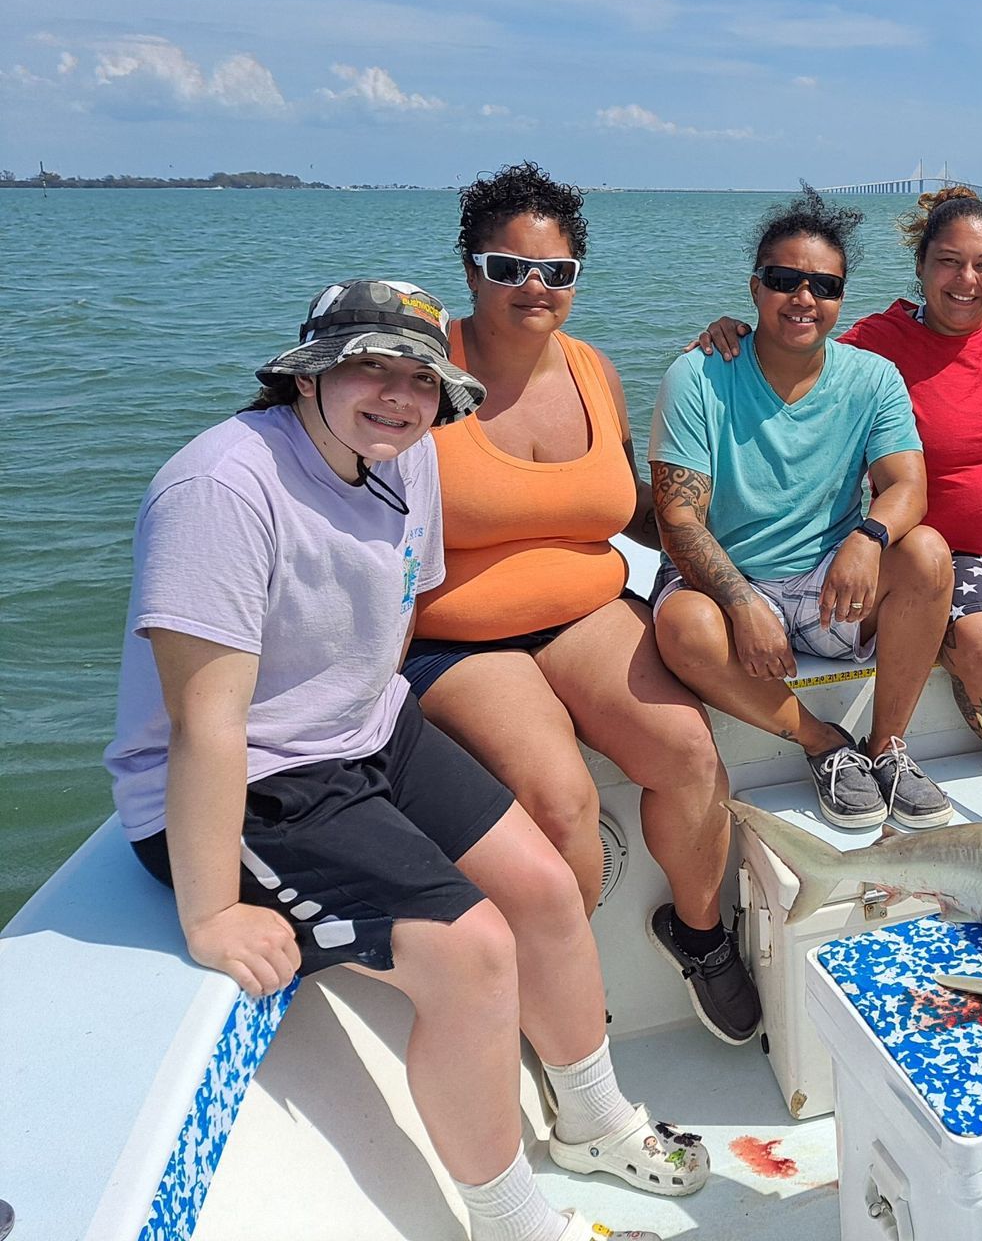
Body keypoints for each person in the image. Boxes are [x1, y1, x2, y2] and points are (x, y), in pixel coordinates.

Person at [101, 280, 701, 1241]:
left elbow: (391, 616)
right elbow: (206, 724)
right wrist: (211, 911)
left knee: (546, 888)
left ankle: (593, 1120)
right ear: (306, 378)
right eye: (366, 368)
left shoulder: (406, 460)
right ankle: (514, 1224)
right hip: (258, 779)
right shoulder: (220, 488)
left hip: (371, 728)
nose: (395, 395)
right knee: (472, 956)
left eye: (418, 377)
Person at [402, 162, 758, 1046]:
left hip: (589, 611)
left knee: (687, 753)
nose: (533, 287)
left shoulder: (594, 368)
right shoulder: (417, 371)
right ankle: (560, 1011)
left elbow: (631, 502)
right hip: (459, 638)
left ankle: (699, 932)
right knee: (559, 801)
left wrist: (738, 529)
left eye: (556, 272)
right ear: (470, 267)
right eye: (508, 267)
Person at [696, 187, 982, 797]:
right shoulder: (878, 344)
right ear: (921, 266)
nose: (967, 279)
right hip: (952, 556)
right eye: (949, 262)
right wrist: (735, 334)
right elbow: (798, 340)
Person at [649, 189, 956, 830]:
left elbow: (908, 487)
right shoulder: (698, 375)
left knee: (926, 553)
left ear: (843, 295)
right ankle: (825, 744)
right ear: (756, 287)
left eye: (824, 284)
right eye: (785, 280)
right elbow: (678, 519)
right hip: (728, 579)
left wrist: (868, 538)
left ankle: (888, 748)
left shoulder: (872, 377)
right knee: (683, 627)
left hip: (829, 589)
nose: (804, 299)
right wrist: (739, 603)